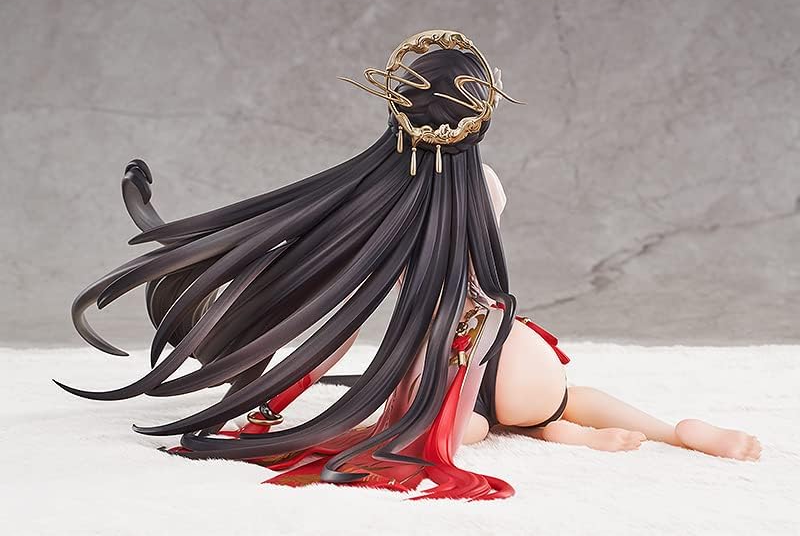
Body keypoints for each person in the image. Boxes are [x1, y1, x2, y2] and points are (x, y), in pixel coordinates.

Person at [55, 30, 759, 502]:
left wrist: (269, 394)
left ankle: (494, 428)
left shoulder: (374, 209)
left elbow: (333, 315)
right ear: (480, 120)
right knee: (564, 396)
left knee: (434, 422)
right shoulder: (486, 190)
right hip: (512, 357)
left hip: (436, 379)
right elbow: (479, 289)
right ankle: (651, 430)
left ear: (397, 113)